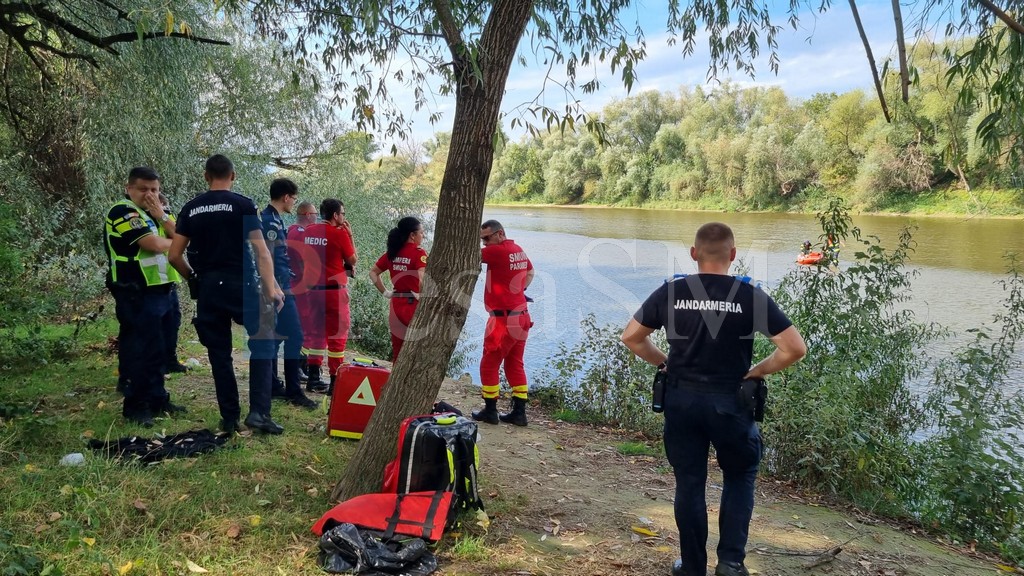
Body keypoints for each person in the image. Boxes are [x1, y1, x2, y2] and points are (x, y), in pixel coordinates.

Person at [620, 222, 807, 576]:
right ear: (733, 255)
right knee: (739, 476)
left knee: (690, 483)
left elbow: (631, 337)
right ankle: (731, 564)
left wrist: (665, 362)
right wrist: (757, 371)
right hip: (730, 403)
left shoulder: (672, 291)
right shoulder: (750, 295)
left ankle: (692, 568)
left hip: (682, 401)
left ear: (694, 253)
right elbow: (794, 348)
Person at [168, 154, 286, 435]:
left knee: (219, 353)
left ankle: (229, 417)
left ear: (206, 176)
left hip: (209, 288)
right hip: (242, 285)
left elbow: (174, 255)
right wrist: (271, 289)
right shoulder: (243, 205)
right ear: (232, 176)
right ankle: (259, 413)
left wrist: (194, 279)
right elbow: (261, 252)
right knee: (263, 342)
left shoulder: (191, 208)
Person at [104, 167, 187, 427]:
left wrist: (161, 215)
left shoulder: (158, 211)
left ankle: (157, 398)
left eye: (154, 190)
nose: (150, 195)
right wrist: (178, 241)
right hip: (135, 289)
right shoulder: (123, 211)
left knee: (160, 348)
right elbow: (153, 244)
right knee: (140, 349)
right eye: (143, 189)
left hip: (163, 287)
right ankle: (136, 406)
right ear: (128, 188)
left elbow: (179, 232)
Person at [471, 220, 534, 427]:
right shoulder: (518, 250)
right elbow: (531, 272)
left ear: (500, 234)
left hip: (503, 320)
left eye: (487, 238)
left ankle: (490, 411)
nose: (485, 243)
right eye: (482, 239)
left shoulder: (497, 251)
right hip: (522, 315)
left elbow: (468, 255)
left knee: (489, 363)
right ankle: (519, 413)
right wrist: (517, 291)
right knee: (515, 363)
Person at [261, 178, 317, 409]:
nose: (294, 202)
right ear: (286, 197)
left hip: (280, 284)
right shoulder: (270, 221)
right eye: (293, 198)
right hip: (279, 287)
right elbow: (267, 257)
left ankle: (273, 385)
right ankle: (294, 391)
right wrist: (277, 288)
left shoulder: (274, 219)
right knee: (295, 336)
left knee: (276, 338)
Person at [298, 198, 357, 394]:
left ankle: (313, 378)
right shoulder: (339, 234)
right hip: (334, 292)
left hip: (313, 292)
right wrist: (349, 234)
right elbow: (352, 260)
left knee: (316, 335)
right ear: (335, 215)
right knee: (337, 337)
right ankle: (334, 382)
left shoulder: (308, 231)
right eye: (343, 214)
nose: (344, 217)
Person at [369, 217, 428, 362]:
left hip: (396, 305)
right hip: (412, 305)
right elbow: (422, 279)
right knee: (415, 351)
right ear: (412, 235)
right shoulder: (419, 253)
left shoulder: (392, 252)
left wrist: (385, 292)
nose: (423, 235)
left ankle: (395, 376)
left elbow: (373, 273)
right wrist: (422, 296)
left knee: (398, 351)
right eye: (421, 232)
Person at [288, 200, 319, 385]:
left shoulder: (291, 230)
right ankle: (299, 366)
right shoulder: (301, 233)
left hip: (295, 284)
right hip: (301, 286)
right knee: (307, 327)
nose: (317, 217)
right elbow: (303, 260)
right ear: (308, 215)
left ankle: (301, 365)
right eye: (315, 214)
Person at [158, 192, 189, 375]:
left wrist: (162, 216)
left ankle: (170, 360)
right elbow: (176, 242)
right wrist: (176, 243)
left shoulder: (165, 218)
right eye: (163, 207)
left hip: (169, 279)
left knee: (173, 322)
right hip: (149, 282)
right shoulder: (141, 219)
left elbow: (180, 237)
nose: (166, 210)